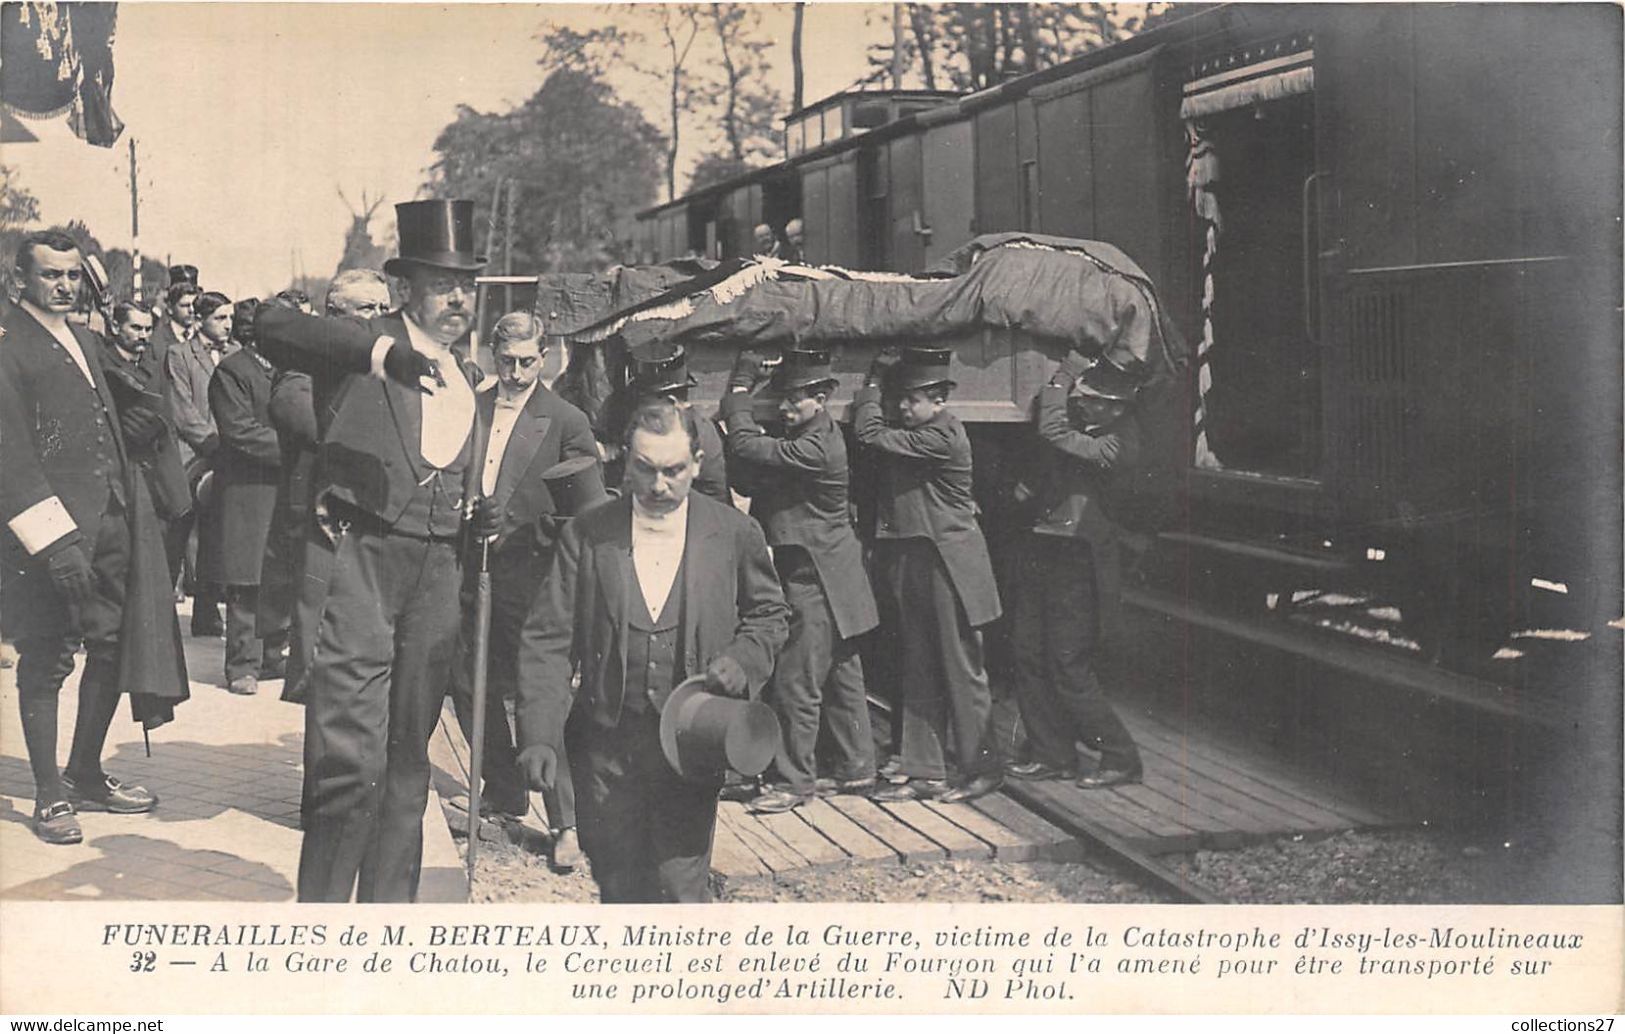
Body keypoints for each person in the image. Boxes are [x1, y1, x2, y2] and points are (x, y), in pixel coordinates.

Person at [255, 199, 487, 902]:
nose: (458, 298)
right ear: (405, 288)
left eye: (467, 286)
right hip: (364, 562)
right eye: (443, 284)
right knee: (349, 761)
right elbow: (266, 323)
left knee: (409, 762)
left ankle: (387, 925)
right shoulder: (362, 347)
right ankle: (323, 921)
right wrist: (383, 354)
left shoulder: (471, 377)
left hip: (439, 571)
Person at [514, 399, 788, 902]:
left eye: (673, 471)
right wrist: (538, 734)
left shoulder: (733, 533)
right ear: (626, 462)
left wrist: (744, 660)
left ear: (698, 465)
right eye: (645, 469)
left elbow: (769, 616)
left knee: (679, 887)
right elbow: (548, 639)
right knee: (619, 887)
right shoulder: (588, 533)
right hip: (604, 750)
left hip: (693, 742)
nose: (659, 485)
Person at [0, 230, 188, 845]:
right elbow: (13, 455)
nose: (63, 285)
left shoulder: (83, 337)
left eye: (72, 275)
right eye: (50, 275)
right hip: (51, 533)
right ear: (21, 278)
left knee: (110, 646)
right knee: (49, 657)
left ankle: (83, 770)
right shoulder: (8, 343)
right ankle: (50, 794)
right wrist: (51, 543)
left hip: (113, 519)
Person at [452, 310, 598, 869]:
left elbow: (585, 515)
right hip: (470, 569)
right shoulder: (472, 407)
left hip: (532, 577)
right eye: (506, 361)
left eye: (527, 362)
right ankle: (505, 790)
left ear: (546, 358)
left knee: (540, 698)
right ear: (492, 355)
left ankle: (566, 823)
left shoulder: (565, 420)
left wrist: (521, 527)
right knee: (468, 684)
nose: (515, 373)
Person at [720, 348, 880, 812]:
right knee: (843, 677)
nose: (787, 410)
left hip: (818, 580)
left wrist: (738, 391)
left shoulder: (817, 446)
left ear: (824, 396)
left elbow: (748, 445)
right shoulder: (812, 435)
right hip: (834, 574)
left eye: (796, 401)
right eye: (784, 400)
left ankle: (794, 782)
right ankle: (857, 769)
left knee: (797, 681)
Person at [853, 346, 1004, 803]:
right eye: (900, 398)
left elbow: (868, 433)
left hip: (948, 565)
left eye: (912, 399)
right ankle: (925, 769)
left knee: (961, 669)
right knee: (919, 664)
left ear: (939, 399)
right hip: (917, 559)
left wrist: (872, 384)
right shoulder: (922, 428)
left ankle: (983, 768)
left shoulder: (943, 435)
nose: (903, 406)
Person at [1007, 350, 1146, 789]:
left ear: (1116, 407)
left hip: (1078, 560)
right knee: (1028, 652)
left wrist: (1063, 374)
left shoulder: (1120, 442)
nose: (1081, 402)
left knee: (1068, 662)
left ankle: (1120, 757)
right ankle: (1053, 754)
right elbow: (1059, 464)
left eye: (1092, 399)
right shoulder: (1093, 430)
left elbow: (1051, 430)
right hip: (1046, 547)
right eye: (1082, 395)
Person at [259, 270, 390, 701]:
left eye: (384, 308)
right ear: (334, 315)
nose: (379, 318)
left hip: (374, 518)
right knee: (319, 640)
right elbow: (298, 414)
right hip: (321, 517)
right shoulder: (308, 365)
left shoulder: (380, 369)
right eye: (367, 309)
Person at [206, 299, 287, 696]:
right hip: (247, 488)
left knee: (278, 573)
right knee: (246, 577)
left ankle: (274, 654)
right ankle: (242, 664)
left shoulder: (286, 370)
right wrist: (296, 447)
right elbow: (238, 432)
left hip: (283, 488)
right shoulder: (232, 371)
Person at [166, 290, 233, 637]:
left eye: (230, 318)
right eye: (220, 318)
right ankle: (160, 613)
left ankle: (206, 612)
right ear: (200, 319)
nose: (228, 324)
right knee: (178, 531)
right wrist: (214, 443)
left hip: (226, 456)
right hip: (191, 454)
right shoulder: (178, 355)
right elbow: (181, 408)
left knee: (215, 535)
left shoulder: (235, 354)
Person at [595, 343, 729, 504]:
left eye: (644, 399)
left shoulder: (689, 433)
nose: (637, 405)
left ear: (670, 401)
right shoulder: (667, 423)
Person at [98, 302, 192, 530]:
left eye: (148, 329)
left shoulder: (155, 366)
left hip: (155, 472)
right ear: (115, 326)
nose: (143, 336)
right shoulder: (102, 366)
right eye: (136, 328)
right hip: (120, 471)